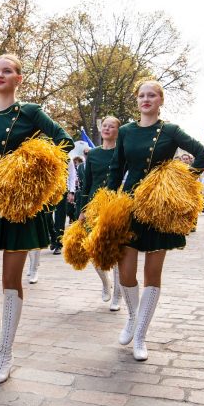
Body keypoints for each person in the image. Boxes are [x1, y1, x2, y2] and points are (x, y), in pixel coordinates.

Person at [0, 54, 72, 385]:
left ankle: (5, 352)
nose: (0, 75)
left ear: (19, 78)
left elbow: (63, 141)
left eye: (7, 71)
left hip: (19, 208)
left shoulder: (30, 112)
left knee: (10, 281)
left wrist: (29, 167)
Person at [107, 80, 204, 361]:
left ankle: (141, 335)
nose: (146, 99)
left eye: (151, 95)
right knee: (126, 273)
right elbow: (117, 169)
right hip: (129, 205)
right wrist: (103, 203)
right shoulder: (126, 131)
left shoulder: (170, 131)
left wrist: (177, 182)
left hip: (159, 208)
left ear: (160, 100)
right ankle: (132, 317)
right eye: (141, 95)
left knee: (152, 274)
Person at [77, 117, 122, 310]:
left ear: (118, 131)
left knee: (117, 252)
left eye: (111, 126)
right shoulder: (92, 154)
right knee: (94, 249)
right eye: (104, 126)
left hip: (115, 206)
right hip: (94, 206)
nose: (107, 129)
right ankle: (106, 283)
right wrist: (83, 210)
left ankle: (118, 297)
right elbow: (86, 184)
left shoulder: (123, 153)